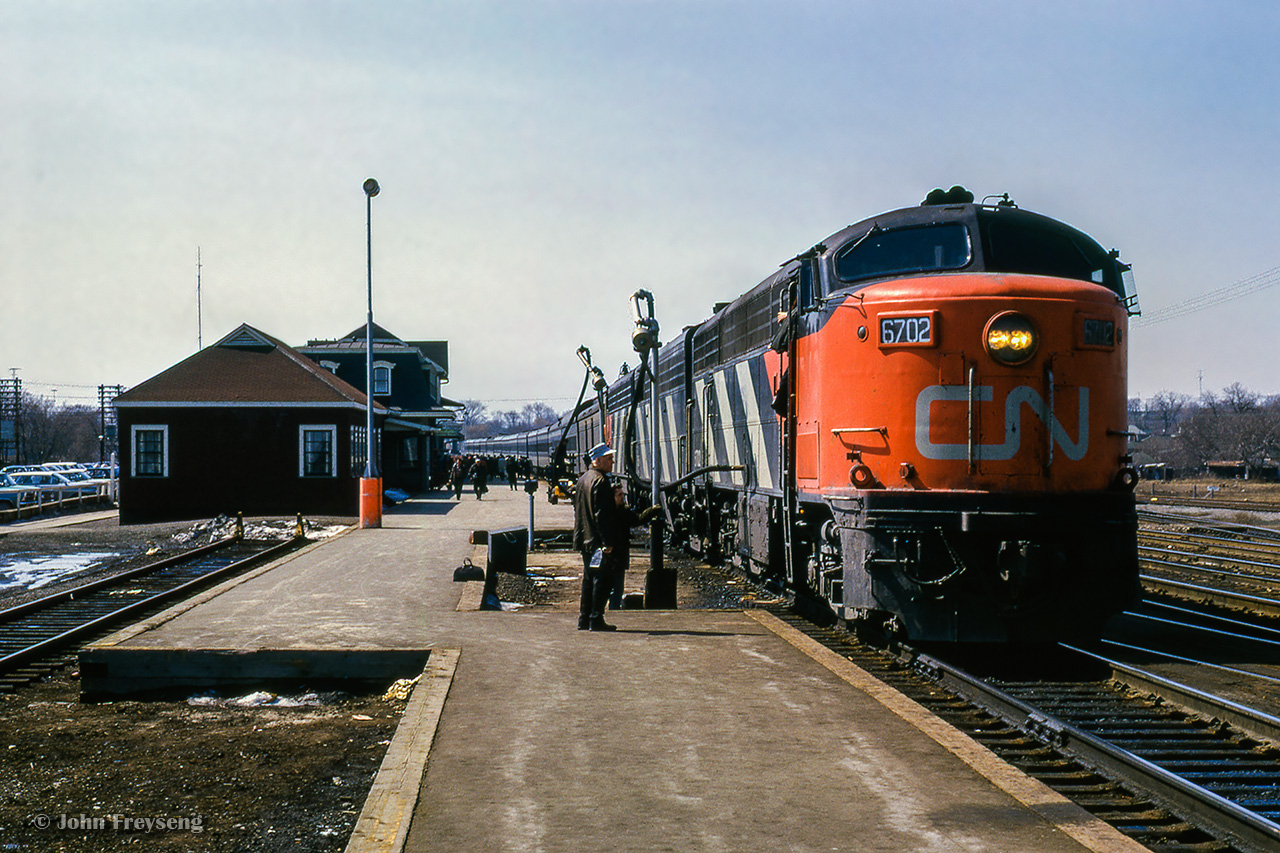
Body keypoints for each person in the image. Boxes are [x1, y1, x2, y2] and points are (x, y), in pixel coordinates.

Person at [572, 442, 621, 631]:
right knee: (602, 579)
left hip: (585, 537)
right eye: (609, 459)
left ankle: (584, 618)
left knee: (588, 578)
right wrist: (607, 542)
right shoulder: (600, 481)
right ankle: (596, 618)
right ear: (598, 460)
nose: (612, 461)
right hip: (597, 541)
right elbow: (603, 515)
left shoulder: (584, 479)